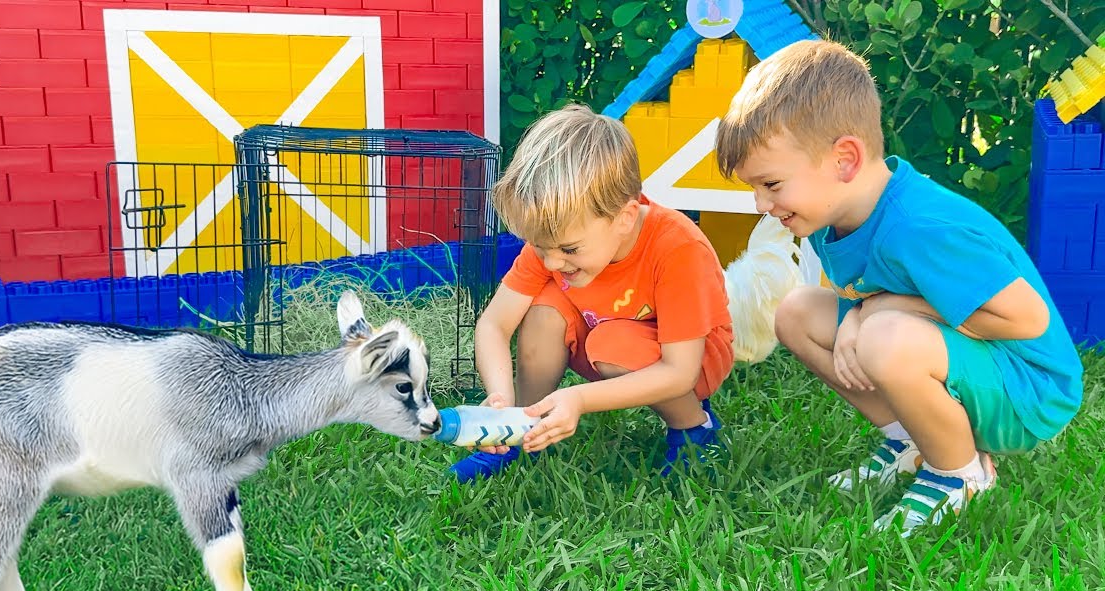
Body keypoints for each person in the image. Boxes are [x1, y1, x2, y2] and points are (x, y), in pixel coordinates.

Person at [715, 39, 1083, 535]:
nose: (761, 203)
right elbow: (863, 290)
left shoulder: (919, 227)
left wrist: (881, 312)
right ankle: (912, 440)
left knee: (886, 336)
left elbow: (1026, 319)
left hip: (1028, 390)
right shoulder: (830, 220)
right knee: (796, 313)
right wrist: (855, 317)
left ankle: (958, 473)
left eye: (772, 184)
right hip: (967, 360)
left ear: (844, 160)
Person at [447, 103, 735, 483]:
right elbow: (494, 325)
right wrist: (502, 403)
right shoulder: (558, 242)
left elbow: (680, 371)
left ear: (625, 218)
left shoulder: (677, 247)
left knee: (613, 343)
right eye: (539, 247)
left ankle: (695, 430)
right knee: (544, 309)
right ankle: (523, 427)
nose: (551, 262)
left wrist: (578, 400)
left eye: (568, 250)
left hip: (689, 359)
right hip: (602, 337)